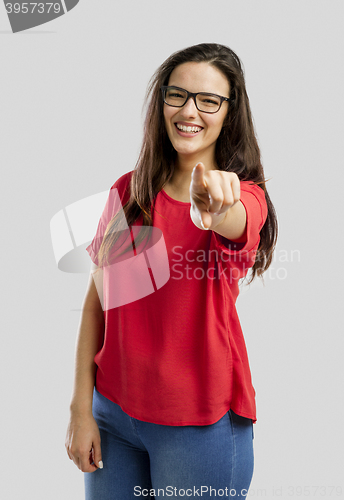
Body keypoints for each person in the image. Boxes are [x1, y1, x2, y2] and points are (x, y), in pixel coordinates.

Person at [65, 43, 278, 499]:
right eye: (177, 94)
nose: (190, 111)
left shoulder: (244, 196)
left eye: (209, 100)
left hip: (198, 425)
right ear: (161, 101)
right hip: (114, 416)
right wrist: (81, 409)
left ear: (229, 112)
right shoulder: (129, 190)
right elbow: (96, 305)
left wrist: (216, 206)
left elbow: (234, 217)